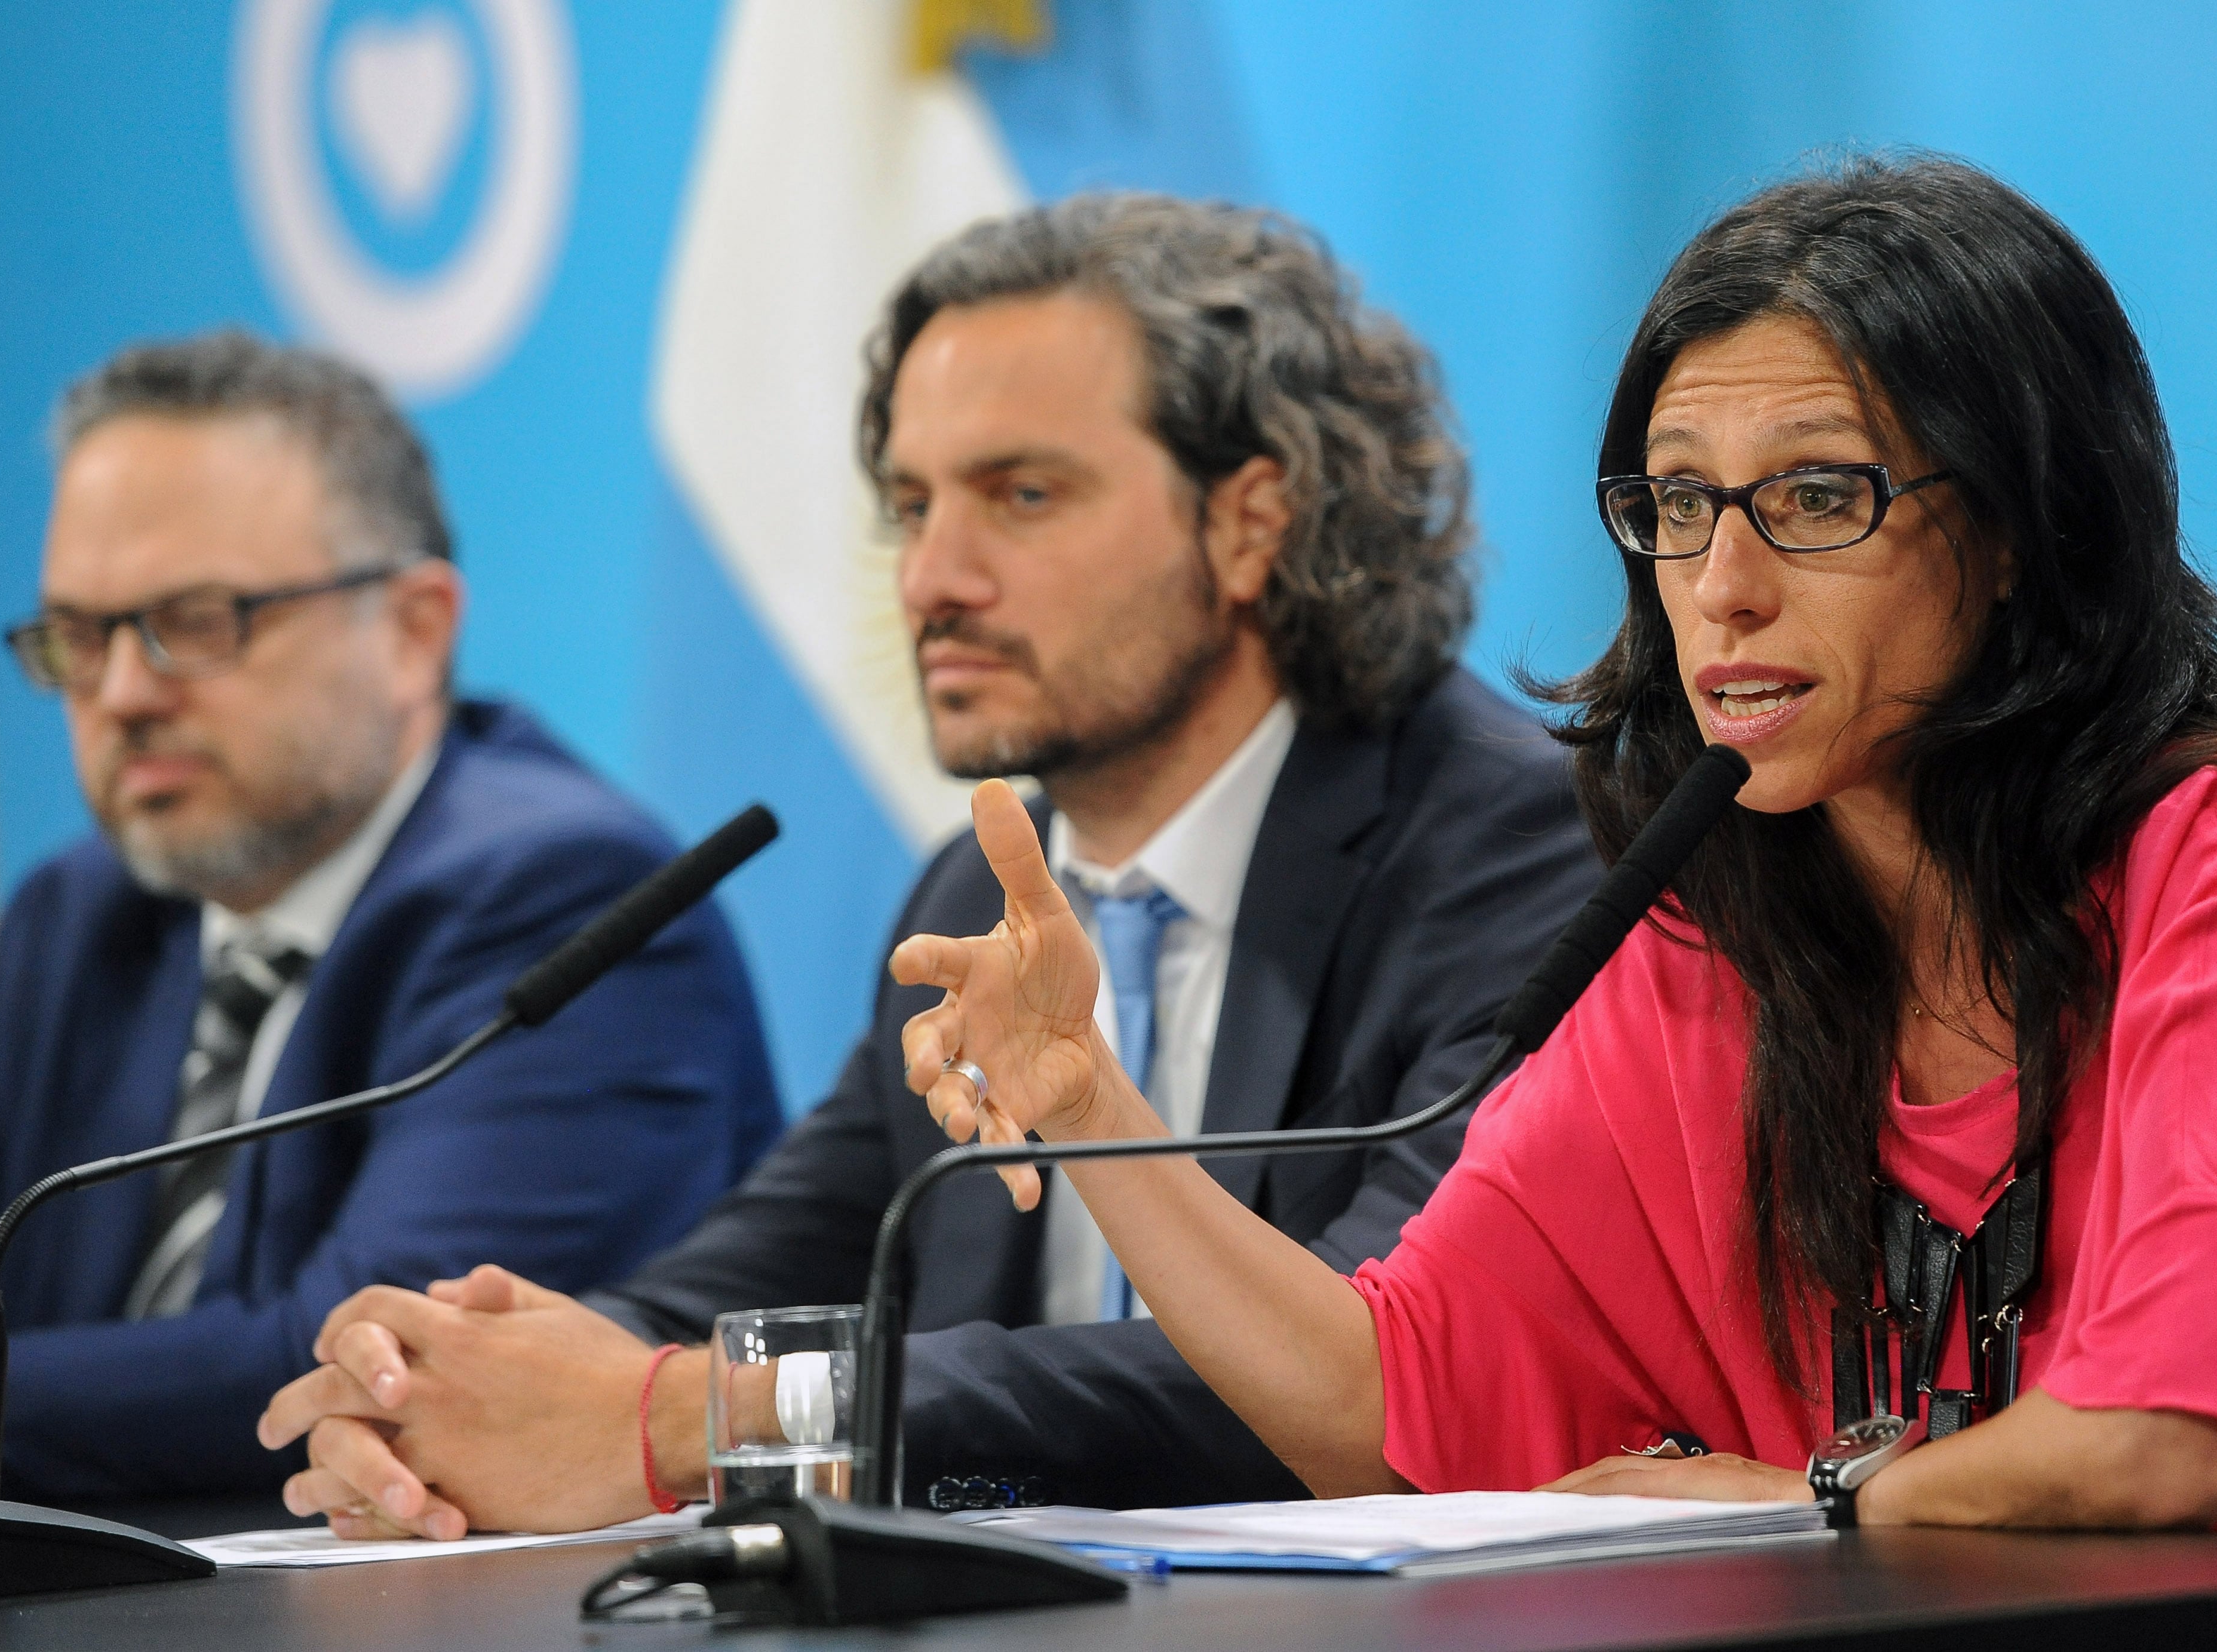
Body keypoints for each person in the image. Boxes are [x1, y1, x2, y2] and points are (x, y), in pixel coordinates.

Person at [889, 156, 2217, 1532]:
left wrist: (1815, 1495)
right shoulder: (1710, 947)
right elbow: (1387, 1409)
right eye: (1681, 503)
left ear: (2024, 527)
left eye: (1819, 496)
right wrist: (1096, 1096)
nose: (1723, 584)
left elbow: (2172, 1438)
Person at [259, 195, 1599, 1536]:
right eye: (910, 505)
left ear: (1252, 523)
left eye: (1024, 494)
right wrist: (464, 1399)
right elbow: (753, 1277)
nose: (930, 579)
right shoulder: (968, 901)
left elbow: (1361, 1382)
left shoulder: (1509, 854)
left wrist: (688, 1415)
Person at [0, 333, 782, 1503]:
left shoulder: (566, 894)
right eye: (79, 640)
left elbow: (363, 1361)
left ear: (412, 632)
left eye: (197, 621)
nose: (125, 695)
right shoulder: (75, 917)